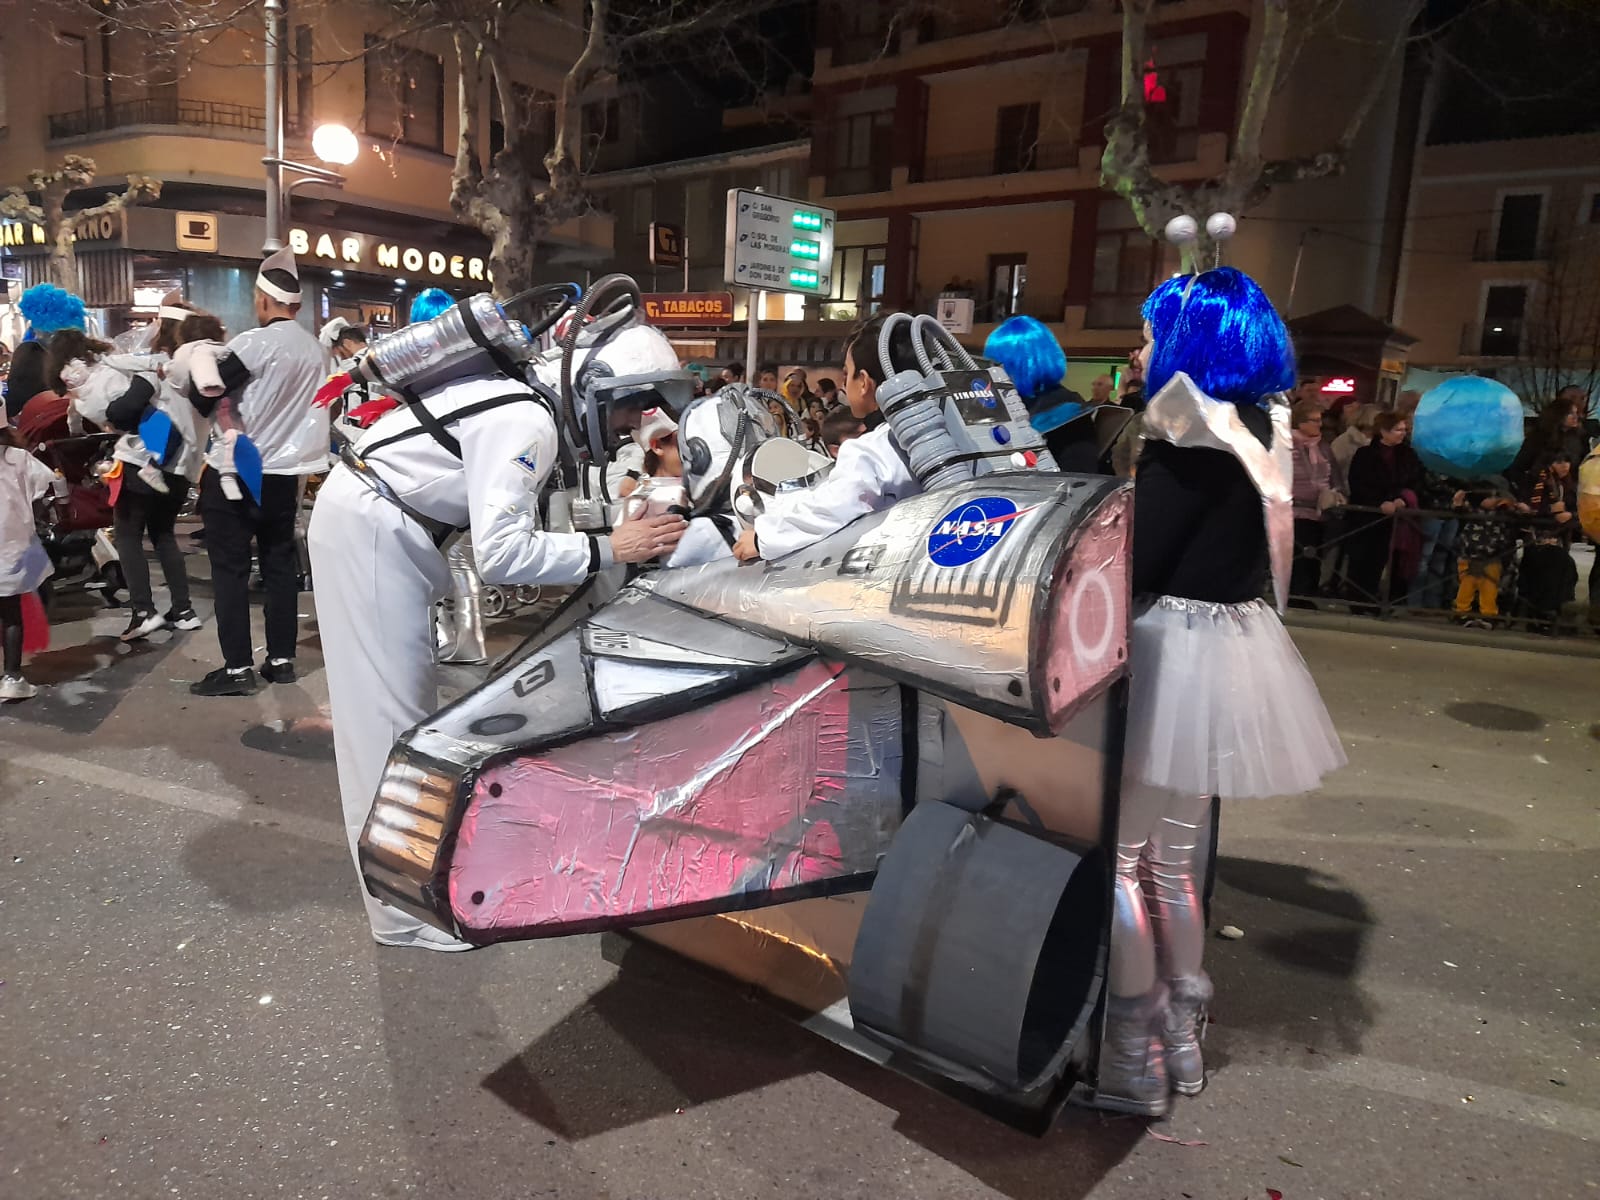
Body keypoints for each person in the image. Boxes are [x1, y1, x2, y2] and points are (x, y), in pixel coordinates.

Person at [307, 293, 689, 951]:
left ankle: (409, 890)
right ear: (594, 387)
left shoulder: (520, 402)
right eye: (631, 405)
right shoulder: (529, 421)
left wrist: (604, 539)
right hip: (371, 532)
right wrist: (610, 549)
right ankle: (399, 914)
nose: (633, 423)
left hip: (377, 526)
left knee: (401, 718)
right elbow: (504, 553)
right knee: (385, 727)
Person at [1098, 265, 1343, 1116]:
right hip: (1237, 649)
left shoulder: (1181, 436)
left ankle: (1131, 1060)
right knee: (1172, 863)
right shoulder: (1257, 428)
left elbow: (1139, 566)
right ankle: (1182, 1043)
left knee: (1123, 865)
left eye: (1150, 331)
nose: (1138, 348)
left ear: (1187, 343)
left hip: (1173, 650)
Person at [190, 248, 332, 696]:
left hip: (238, 468)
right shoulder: (316, 351)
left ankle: (236, 669)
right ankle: (282, 660)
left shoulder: (253, 343)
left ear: (263, 299)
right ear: (297, 304)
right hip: (286, 474)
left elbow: (204, 395)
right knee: (278, 565)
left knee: (229, 570)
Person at [733, 313, 918, 562]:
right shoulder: (949, 435)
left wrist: (761, 537)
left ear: (863, 382)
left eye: (847, 372)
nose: (843, 384)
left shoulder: (871, 450)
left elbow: (833, 508)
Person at [983, 314, 1108, 474]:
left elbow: (1079, 480)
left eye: (999, 365)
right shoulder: (1007, 405)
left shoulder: (1070, 415)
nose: (992, 373)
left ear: (1024, 365)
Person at [0, 425, 57, 701]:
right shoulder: (19, 458)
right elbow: (49, 487)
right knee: (11, 614)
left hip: (13, 550)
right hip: (11, 548)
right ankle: (12, 677)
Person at [1344, 411, 1422, 613]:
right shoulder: (1365, 455)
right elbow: (1358, 483)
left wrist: (1401, 499)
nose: (1402, 434)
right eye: (1397, 430)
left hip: (1394, 516)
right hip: (1366, 514)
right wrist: (1380, 502)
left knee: (1380, 559)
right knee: (1361, 559)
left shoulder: (1407, 455)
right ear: (1383, 431)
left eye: (1404, 430)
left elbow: (1414, 481)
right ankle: (1358, 601)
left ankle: (1375, 600)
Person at [1519, 453, 1579, 632]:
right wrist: (1551, 511)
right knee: (1546, 574)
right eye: (1559, 461)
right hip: (1537, 537)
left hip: (1558, 538)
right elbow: (1528, 506)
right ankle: (1541, 615)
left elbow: (1575, 507)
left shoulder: (1567, 484)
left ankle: (1550, 613)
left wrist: (1569, 515)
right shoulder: (1536, 481)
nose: (1565, 466)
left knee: (1564, 570)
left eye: (1567, 461)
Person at [1451, 484, 1522, 629]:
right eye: (1489, 497)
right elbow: (1459, 510)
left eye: (1496, 496)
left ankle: (1488, 615)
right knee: (1466, 586)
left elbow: (1518, 516)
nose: (1493, 500)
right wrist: (1457, 501)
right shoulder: (1473, 510)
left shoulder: (1503, 512)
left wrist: (1518, 507)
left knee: (1489, 588)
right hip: (1469, 555)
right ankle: (1461, 611)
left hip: (1492, 557)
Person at [1288, 399, 1336, 604]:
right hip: (1294, 509)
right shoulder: (1287, 444)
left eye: (1320, 420)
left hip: (1317, 511)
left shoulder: (1323, 447)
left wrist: (1332, 491)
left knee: (1313, 555)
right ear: (1300, 422)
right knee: (1297, 555)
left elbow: (1333, 474)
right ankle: (1294, 594)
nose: (1319, 424)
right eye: (1314, 420)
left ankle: (1307, 593)